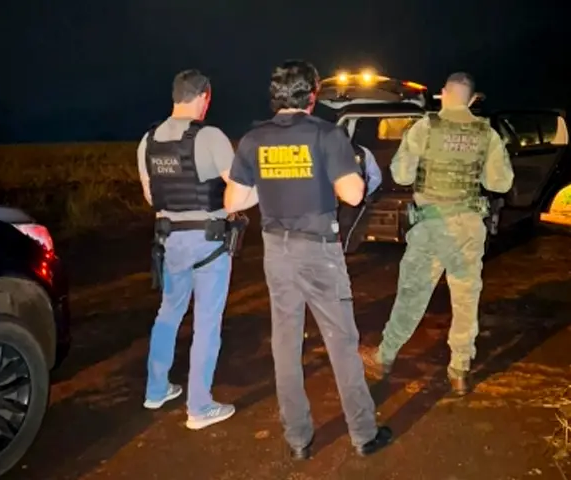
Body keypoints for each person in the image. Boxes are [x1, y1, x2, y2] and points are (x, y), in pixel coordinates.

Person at [223, 59, 393, 459]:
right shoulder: (327, 135)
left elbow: (234, 200)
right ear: (312, 95)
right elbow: (353, 194)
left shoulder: (254, 139)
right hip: (317, 250)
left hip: (276, 250)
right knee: (341, 342)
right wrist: (350, 171)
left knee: (285, 344)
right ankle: (363, 434)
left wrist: (273, 183)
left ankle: (298, 440)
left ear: (275, 94)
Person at [360, 72, 514, 395]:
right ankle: (459, 370)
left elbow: (401, 175)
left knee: (412, 296)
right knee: (466, 299)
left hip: (431, 227)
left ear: (444, 94)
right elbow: (500, 184)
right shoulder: (486, 133)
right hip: (468, 229)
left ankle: (384, 357)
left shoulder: (425, 127)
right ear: (472, 99)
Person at [138, 69, 255, 430]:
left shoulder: (148, 141)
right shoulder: (210, 137)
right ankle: (199, 407)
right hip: (208, 242)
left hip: (169, 240)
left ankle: (156, 389)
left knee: (168, 312)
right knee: (206, 322)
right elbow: (238, 191)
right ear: (205, 96)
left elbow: (151, 196)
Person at [337, 124, 383, 252]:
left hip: (329, 202)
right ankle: (342, 254)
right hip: (354, 200)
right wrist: (364, 193)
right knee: (348, 231)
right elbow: (376, 177)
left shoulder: (322, 151)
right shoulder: (362, 152)